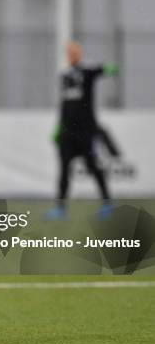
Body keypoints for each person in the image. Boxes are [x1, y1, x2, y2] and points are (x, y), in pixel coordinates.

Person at [47, 41, 120, 219]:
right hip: (68, 133)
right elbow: (64, 105)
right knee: (64, 169)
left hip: (86, 132)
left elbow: (107, 69)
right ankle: (60, 208)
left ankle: (107, 203)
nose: (72, 55)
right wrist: (58, 127)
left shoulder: (87, 71)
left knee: (94, 167)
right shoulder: (64, 76)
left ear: (79, 54)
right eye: (69, 52)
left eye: (75, 52)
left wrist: (110, 68)